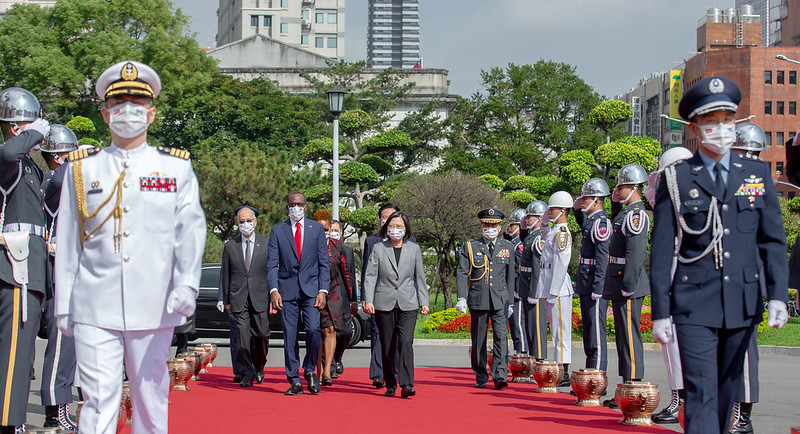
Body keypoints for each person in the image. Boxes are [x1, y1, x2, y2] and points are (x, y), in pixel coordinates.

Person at [55, 60, 206, 433]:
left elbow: (189, 230)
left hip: (154, 304)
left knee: (150, 397)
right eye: (119, 104)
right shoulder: (82, 169)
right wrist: (64, 304)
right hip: (94, 302)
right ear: (105, 114)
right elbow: (69, 241)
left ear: (151, 113)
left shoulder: (174, 169)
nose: (128, 112)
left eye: (137, 105)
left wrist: (186, 284)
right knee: (97, 399)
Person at [650, 76, 789, 433]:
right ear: (695, 128)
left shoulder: (756, 173)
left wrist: (777, 295)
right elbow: (664, 249)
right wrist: (661, 312)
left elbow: (772, 239)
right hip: (693, 300)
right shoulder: (677, 178)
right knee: (700, 390)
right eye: (711, 122)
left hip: (741, 300)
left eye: (727, 120)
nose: (721, 129)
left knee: (728, 388)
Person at [0, 87, 50, 434]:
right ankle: (8, 422)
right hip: (15, 266)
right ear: (17, 127)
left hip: (31, 267)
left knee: (22, 353)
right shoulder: (11, 162)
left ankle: (12, 420)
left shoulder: (30, 166)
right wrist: (37, 130)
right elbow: (7, 152)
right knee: (14, 352)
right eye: (30, 125)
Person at [643, 146, 694, 425]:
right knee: (670, 345)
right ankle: (678, 399)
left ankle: (683, 402)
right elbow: (657, 202)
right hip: (674, 272)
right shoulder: (671, 198)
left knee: (681, 344)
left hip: (685, 274)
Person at [727, 122, 769, 434]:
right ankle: (733, 412)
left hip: (746, 280)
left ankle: (743, 415)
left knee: (743, 354)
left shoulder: (754, 183)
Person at [267, 191, 330, 396]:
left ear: (306, 206)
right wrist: (274, 290)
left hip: (311, 289)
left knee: (313, 330)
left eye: (300, 204)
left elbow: (324, 263)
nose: (296, 207)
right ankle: (293, 378)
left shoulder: (316, 230)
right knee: (290, 336)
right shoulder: (278, 230)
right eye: (292, 204)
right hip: (287, 290)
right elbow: (272, 264)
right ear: (287, 207)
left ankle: (310, 369)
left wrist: (323, 290)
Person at [363, 212, 429, 398]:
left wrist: (424, 301)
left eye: (400, 226)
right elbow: (370, 276)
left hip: (408, 302)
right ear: (386, 228)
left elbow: (419, 277)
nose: (396, 230)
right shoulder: (378, 248)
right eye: (392, 226)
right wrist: (369, 300)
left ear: (406, 229)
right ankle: (390, 383)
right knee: (388, 344)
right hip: (384, 302)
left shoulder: (414, 249)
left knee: (406, 341)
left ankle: (407, 384)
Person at [40, 124, 79, 431]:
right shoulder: (53, 179)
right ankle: (55, 408)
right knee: (60, 343)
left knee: (71, 345)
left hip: (73, 272)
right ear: (56, 157)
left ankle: (64, 404)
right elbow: (66, 177)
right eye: (68, 155)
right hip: (54, 271)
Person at [603, 163, 650, 409]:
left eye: (621, 186)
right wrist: (613, 203)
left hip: (627, 280)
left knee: (630, 336)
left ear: (633, 187)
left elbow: (635, 253)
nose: (617, 190)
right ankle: (625, 386)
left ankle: (633, 384)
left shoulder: (636, 215)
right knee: (623, 336)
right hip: (619, 278)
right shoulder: (624, 212)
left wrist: (629, 283)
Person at [456, 208, 515, 390]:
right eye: (486, 225)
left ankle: (500, 375)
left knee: (501, 338)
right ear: (481, 226)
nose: (490, 228)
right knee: (479, 340)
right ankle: (481, 374)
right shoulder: (471, 247)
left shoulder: (507, 247)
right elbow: (462, 272)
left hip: (500, 299)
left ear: (500, 227)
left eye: (494, 225)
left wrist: (510, 301)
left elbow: (510, 276)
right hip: (478, 298)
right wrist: (461, 298)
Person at [221, 205, 270, 388]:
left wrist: (274, 295)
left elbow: (273, 271)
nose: (246, 224)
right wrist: (225, 299)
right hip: (238, 296)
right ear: (237, 223)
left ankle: (259, 366)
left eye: (249, 221)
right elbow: (225, 274)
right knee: (241, 336)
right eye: (242, 221)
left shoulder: (266, 243)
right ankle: (246, 372)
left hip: (260, 296)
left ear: (255, 222)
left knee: (262, 335)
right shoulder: (230, 245)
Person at [361, 203, 408, 388]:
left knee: (397, 338)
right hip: (379, 297)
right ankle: (378, 373)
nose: (388, 220)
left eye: (392, 217)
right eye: (384, 217)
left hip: (401, 299)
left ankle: (394, 372)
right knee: (378, 334)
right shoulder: (372, 241)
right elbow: (367, 271)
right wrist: (367, 297)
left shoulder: (409, 241)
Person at [535, 192, 574, 387]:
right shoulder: (554, 232)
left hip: (557, 288)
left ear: (562, 211)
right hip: (550, 285)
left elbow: (560, 264)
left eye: (552, 209)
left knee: (561, 331)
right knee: (556, 330)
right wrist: (543, 222)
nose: (549, 212)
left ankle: (564, 370)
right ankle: (560, 367)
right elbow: (544, 236)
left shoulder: (563, 234)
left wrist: (553, 291)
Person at [572, 179, 610, 374]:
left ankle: (597, 373)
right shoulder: (591, 222)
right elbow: (584, 226)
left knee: (596, 331)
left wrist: (598, 286)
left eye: (585, 199)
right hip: (586, 281)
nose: (582, 201)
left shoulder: (601, 223)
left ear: (596, 200)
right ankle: (590, 370)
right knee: (588, 331)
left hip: (594, 281)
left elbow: (602, 258)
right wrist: (576, 210)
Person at [316, 218, 355, 386]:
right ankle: (317, 368)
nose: (328, 232)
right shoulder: (309, 244)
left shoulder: (337, 246)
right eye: (325, 229)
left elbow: (346, 273)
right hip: (313, 292)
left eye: (330, 229)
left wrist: (353, 298)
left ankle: (327, 371)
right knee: (315, 332)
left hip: (333, 293)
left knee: (331, 330)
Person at [325, 219, 358, 379]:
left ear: (342, 233)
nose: (333, 233)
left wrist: (354, 299)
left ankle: (337, 357)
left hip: (344, 298)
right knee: (329, 332)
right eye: (330, 230)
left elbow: (350, 275)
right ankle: (329, 366)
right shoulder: (322, 249)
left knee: (346, 332)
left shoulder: (347, 251)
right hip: (328, 298)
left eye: (336, 230)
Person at [519, 201, 548, 361]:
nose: (526, 219)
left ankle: (539, 358)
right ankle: (533, 358)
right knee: (530, 326)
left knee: (536, 326)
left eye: (529, 217)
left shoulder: (539, 238)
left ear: (538, 218)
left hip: (533, 286)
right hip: (526, 283)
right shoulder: (532, 236)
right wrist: (523, 228)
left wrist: (534, 292)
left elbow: (537, 267)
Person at [506, 209, 527, 355]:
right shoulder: (511, 243)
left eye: (512, 225)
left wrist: (517, 289)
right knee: (514, 325)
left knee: (518, 324)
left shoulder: (518, 244)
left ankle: (523, 353)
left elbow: (520, 267)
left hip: (517, 289)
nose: (509, 228)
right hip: (511, 288)